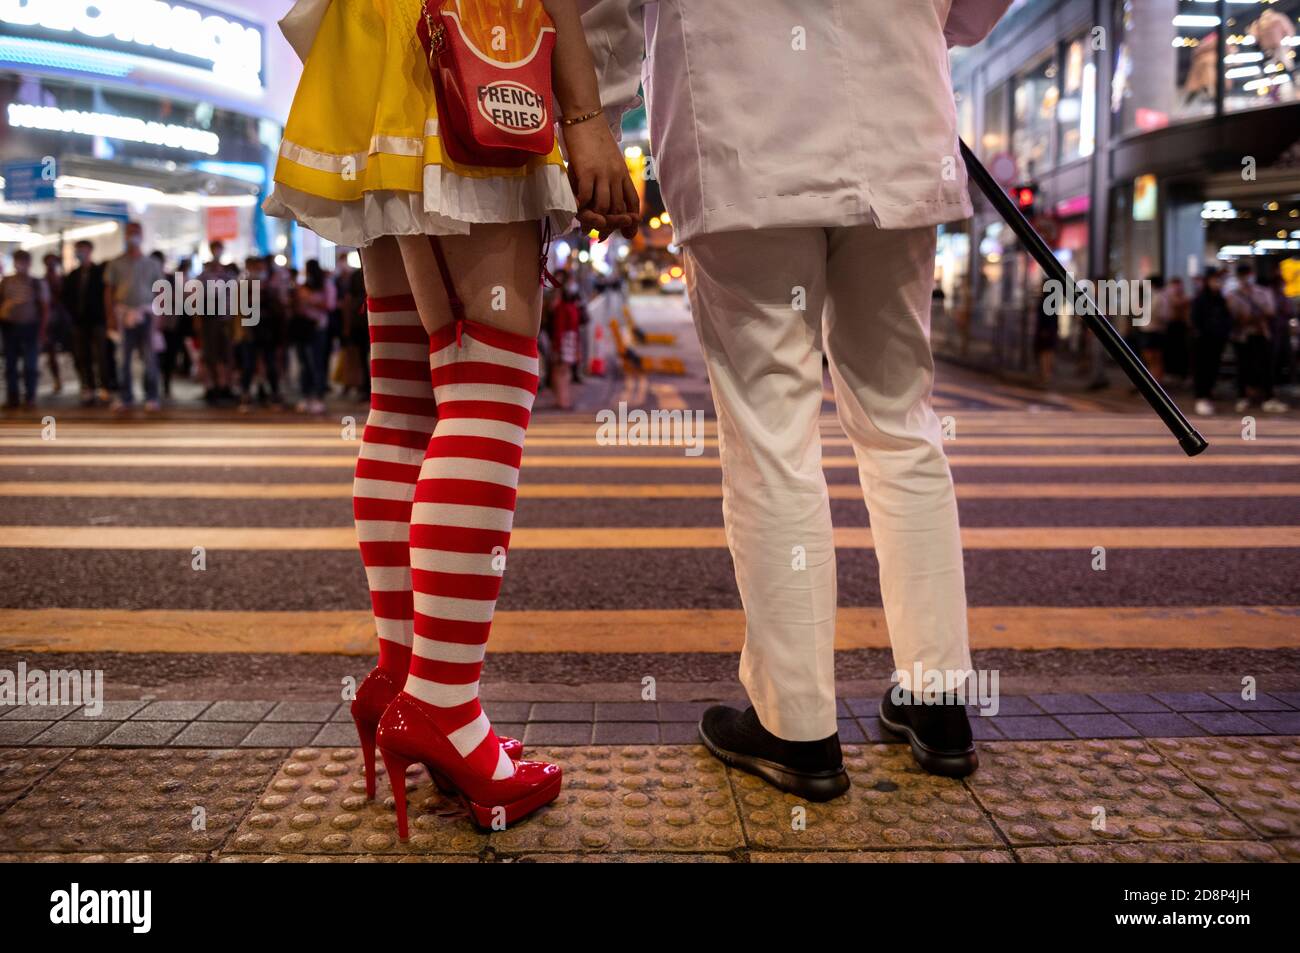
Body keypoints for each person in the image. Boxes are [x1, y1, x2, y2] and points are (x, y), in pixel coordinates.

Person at [581, 0, 1013, 797]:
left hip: (744, 127)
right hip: (897, 121)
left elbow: (604, 11)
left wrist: (597, 116)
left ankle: (797, 724)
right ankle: (939, 696)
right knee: (902, 424)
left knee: (772, 431)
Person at [263, 0, 635, 832]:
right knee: (487, 387)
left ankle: (404, 681)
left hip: (374, 58)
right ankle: (443, 706)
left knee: (404, 404)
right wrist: (585, 117)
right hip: (473, 50)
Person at [104, 222, 164, 411]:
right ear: (125, 236)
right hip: (123, 315)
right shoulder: (116, 263)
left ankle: (151, 396)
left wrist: (159, 318)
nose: (133, 236)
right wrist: (111, 317)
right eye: (130, 232)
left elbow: (161, 292)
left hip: (147, 315)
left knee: (149, 358)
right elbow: (108, 292)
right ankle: (125, 396)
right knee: (124, 359)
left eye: (136, 232)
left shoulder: (152, 264)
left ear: (142, 235)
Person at [1225, 262, 1287, 413]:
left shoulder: (1263, 292)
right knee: (1243, 367)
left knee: (1266, 366)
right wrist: (1251, 318)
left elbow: (1270, 311)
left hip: (1262, 334)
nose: (1246, 278)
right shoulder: (1233, 294)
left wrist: (1253, 317)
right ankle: (1243, 397)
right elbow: (1234, 315)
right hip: (1243, 336)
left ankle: (1268, 398)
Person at [63, 240, 112, 405]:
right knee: (82, 356)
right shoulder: (73, 275)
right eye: (78, 250)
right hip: (79, 321)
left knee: (101, 355)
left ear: (90, 251)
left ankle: (104, 386)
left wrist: (108, 317)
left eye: (82, 250)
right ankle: (88, 387)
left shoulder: (100, 272)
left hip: (98, 320)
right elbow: (66, 297)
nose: (80, 253)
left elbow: (107, 295)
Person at [0, 249, 49, 409]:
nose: (20, 264)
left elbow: (44, 307)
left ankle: (30, 397)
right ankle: (13, 397)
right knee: (10, 364)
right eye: (17, 260)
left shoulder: (36, 282)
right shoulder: (6, 281)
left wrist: (43, 330)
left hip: (30, 327)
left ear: (29, 263)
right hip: (9, 326)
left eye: (23, 261)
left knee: (30, 365)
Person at [293, 259, 335, 414]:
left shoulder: (326, 285)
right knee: (304, 362)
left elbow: (330, 305)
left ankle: (318, 396)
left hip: (318, 327)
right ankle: (306, 395)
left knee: (317, 362)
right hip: (303, 327)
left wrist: (309, 300)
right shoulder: (303, 286)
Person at [1191, 266, 1233, 417]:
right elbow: (1196, 320)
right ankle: (1201, 397)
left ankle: (1208, 395)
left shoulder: (1221, 300)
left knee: (1213, 369)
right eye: (1215, 280)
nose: (1217, 283)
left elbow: (1228, 319)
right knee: (1202, 370)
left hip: (1218, 341)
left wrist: (1224, 333)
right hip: (1203, 341)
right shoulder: (1200, 299)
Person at [41, 254, 71, 396]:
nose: (51, 266)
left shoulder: (64, 279)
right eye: (48, 263)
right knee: (51, 352)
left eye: (53, 263)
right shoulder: (42, 281)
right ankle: (57, 379)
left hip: (65, 319)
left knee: (75, 351)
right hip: (50, 321)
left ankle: (85, 383)